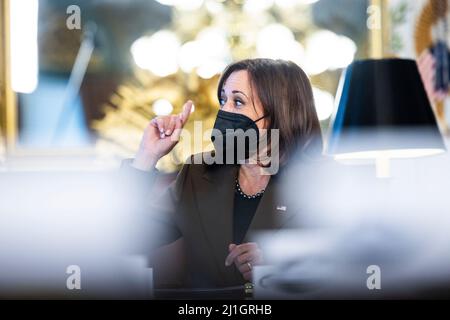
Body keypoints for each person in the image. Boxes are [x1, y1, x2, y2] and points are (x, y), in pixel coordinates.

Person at [122, 58, 323, 289]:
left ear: (279, 112)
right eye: (223, 100)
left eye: (238, 102)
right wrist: (146, 156)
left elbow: (347, 262)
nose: (224, 111)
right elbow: (128, 238)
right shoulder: (197, 171)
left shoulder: (320, 181)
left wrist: (282, 261)